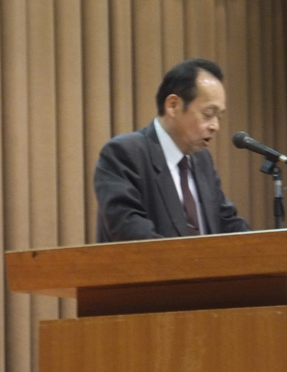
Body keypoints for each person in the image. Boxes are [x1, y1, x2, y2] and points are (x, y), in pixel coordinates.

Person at [94, 58, 250, 242]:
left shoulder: (202, 160)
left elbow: (227, 221)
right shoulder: (124, 154)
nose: (215, 126)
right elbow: (129, 230)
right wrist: (192, 259)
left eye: (219, 117)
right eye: (208, 114)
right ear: (173, 105)